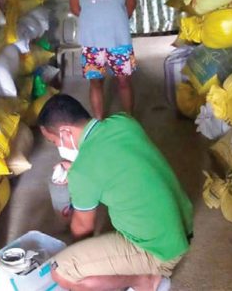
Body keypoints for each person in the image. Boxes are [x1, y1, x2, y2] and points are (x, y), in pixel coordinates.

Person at [38, 94, 194, 291]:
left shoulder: (83, 171)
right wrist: (76, 169)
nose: (58, 147)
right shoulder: (123, 122)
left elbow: (82, 229)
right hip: (182, 225)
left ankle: (145, 281)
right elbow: (113, 157)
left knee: (62, 271)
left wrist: (81, 255)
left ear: (65, 132)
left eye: (54, 141)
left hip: (159, 251)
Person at [70, 0, 137, 120]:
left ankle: (130, 119)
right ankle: (99, 120)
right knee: (95, 83)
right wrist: (97, 19)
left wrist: (114, 21)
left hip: (119, 40)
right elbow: (75, 8)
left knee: (124, 82)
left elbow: (131, 5)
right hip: (92, 42)